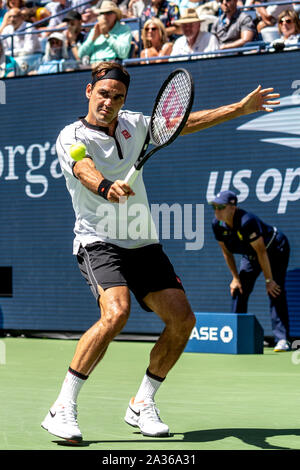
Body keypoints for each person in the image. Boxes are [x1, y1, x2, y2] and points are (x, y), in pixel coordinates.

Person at [41, 61, 280, 443]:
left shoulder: (133, 124)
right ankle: (62, 407)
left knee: (183, 321)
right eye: (104, 94)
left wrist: (239, 108)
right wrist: (106, 187)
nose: (110, 102)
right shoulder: (70, 135)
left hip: (142, 242)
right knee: (116, 312)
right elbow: (83, 168)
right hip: (98, 241)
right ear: (89, 92)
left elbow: (183, 122)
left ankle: (142, 403)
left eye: (118, 97)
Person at [210, 190, 291, 352]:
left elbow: (261, 251)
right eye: (214, 207)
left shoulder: (247, 221)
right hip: (251, 254)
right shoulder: (216, 224)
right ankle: (234, 334)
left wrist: (269, 281)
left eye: (221, 207)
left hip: (275, 249)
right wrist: (235, 278)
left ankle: (282, 339)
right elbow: (226, 253)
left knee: (275, 290)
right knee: (239, 289)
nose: (216, 210)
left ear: (233, 208)